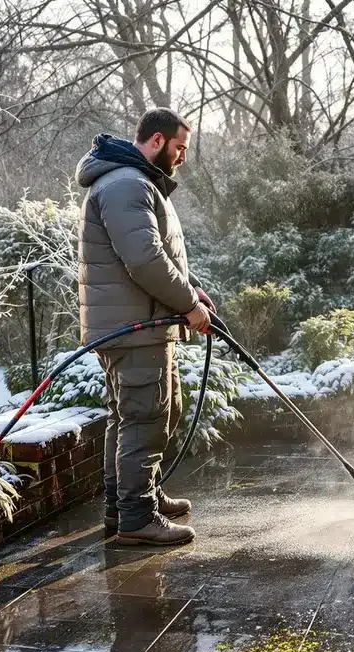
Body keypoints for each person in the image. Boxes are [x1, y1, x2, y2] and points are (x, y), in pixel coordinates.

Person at [75, 108, 215, 546]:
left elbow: (156, 254)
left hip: (138, 324)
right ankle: (137, 519)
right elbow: (144, 261)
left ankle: (131, 503)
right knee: (144, 417)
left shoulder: (131, 181)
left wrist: (193, 290)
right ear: (156, 140)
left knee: (138, 415)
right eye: (179, 148)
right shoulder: (125, 185)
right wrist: (188, 305)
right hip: (133, 328)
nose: (182, 157)